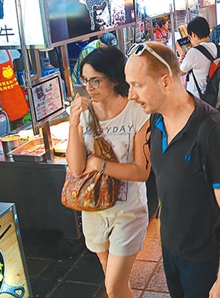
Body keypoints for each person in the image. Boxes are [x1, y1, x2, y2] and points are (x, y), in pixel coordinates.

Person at [125, 42, 220, 298]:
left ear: (166, 81)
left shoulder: (214, 132)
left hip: (204, 260)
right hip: (170, 249)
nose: (131, 95)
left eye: (137, 85)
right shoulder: (156, 120)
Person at [66, 46, 151, 298]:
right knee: (112, 278)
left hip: (128, 211)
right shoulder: (84, 115)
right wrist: (73, 123)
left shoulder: (137, 112)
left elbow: (142, 172)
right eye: (85, 81)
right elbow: (76, 168)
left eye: (96, 80)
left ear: (114, 79)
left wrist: (100, 165)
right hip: (94, 208)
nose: (89, 87)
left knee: (113, 286)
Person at [176, 16, 218, 99]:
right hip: (216, 95)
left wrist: (182, 54)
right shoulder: (218, 48)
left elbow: (180, 72)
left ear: (193, 34)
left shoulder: (194, 52)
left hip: (199, 98)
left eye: (190, 37)